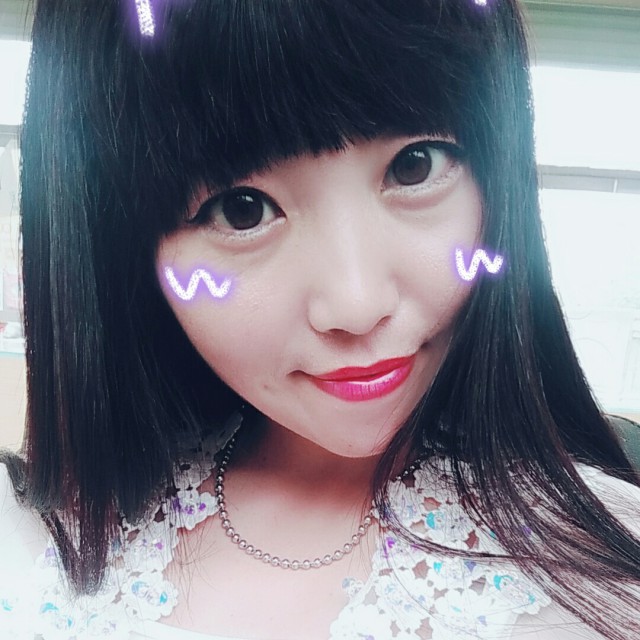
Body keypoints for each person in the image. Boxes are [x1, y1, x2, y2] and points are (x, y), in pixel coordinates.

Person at [1, 0, 639, 638]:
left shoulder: (604, 572)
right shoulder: (33, 536)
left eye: (415, 165)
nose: (356, 304)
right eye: (242, 210)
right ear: (115, 251)